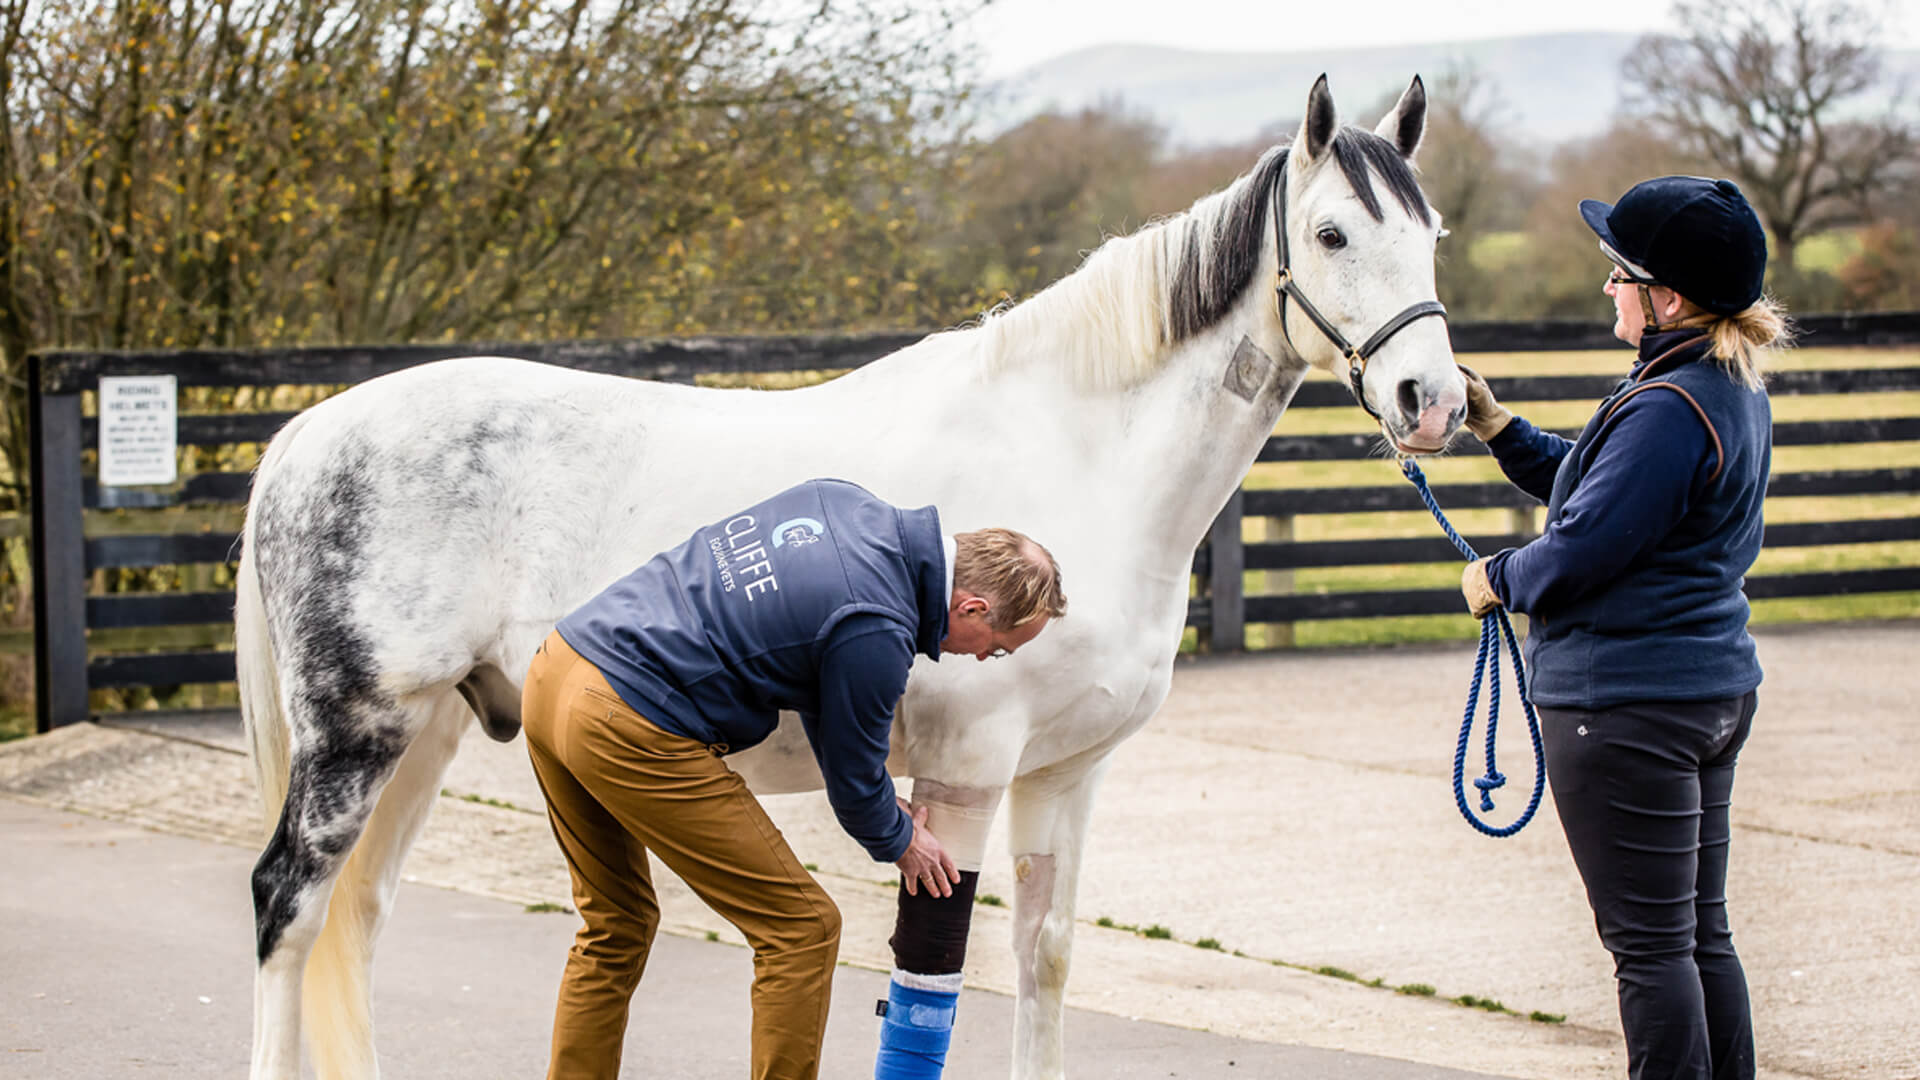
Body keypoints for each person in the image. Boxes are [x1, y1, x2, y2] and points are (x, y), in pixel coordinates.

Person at [519, 477, 1065, 1080]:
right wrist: (900, 839)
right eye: (1000, 646)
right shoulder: (878, 628)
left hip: (557, 669)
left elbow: (817, 676)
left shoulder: (842, 502)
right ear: (972, 609)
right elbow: (855, 785)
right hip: (626, 721)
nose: (988, 658)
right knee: (802, 930)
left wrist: (883, 812)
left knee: (616, 924)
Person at [1456, 176, 1790, 1080]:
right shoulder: (1713, 389)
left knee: (1649, 949)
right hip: (1704, 690)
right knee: (1697, 934)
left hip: (1628, 706)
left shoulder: (1667, 406)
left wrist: (1496, 579)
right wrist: (1500, 430)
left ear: (1666, 297)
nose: (1607, 287)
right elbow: (1604, 491)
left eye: (1619, 274)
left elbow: (1582, 547)